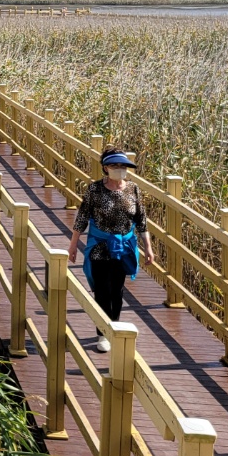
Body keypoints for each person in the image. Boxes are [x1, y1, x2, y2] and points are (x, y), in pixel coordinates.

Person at [68, 149, 151, 352]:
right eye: (115, 166)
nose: (119, 169)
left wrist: (148, 247)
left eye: (123, 166)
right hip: (100, 246)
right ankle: (102, 333)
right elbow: (82, 217)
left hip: (123, 247)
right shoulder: (95, 189)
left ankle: (113, 325)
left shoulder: (133, 189)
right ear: (105, 168)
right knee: (102, 290)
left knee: (117, 290)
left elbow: (141, 220)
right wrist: (73, 244)